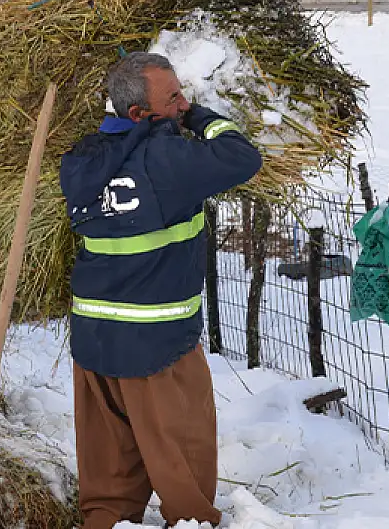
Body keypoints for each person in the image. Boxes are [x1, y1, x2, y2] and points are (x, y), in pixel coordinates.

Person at [58, 52, 263, 529]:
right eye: (173, 98)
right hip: (159, 342)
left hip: (94, 337)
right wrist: (199, 118)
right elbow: (241, 156)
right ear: (139, 114)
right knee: (182, 454)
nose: (183, 103)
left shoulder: (81, 159)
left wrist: (173, 114)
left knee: (108, 464)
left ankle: (106, 522)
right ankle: (190, 522)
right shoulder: (168, 160)